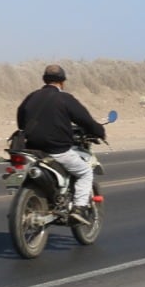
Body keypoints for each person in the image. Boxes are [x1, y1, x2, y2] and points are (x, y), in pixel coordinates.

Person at [16, 64, 107, 219]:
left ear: (44, 80)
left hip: (32, 149)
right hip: (56, 149)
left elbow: (20, 120)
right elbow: (85, 120)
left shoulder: (31, 97)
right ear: (62, 82)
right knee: (85, 172)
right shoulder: (65, 98)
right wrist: (99, 131)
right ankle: (79, 209)